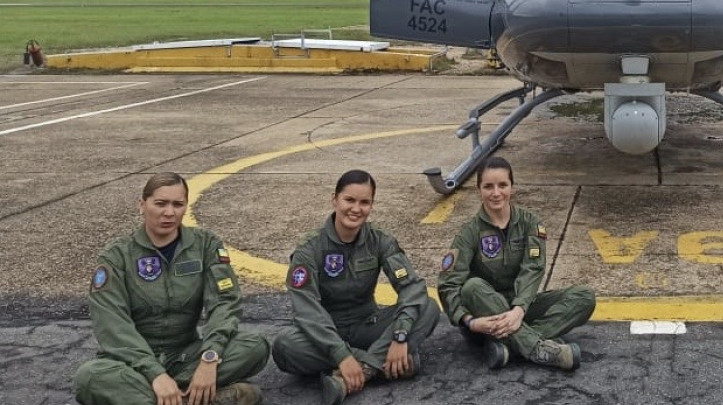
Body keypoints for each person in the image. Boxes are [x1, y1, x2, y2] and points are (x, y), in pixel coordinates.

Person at [73, 172, 268, 405]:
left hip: (185, 355)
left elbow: (224, 302)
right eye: (160, 203)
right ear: (142, 205)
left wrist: (209, 357)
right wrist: (154, 373)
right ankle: (199, 398)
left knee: (255, 346)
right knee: (89, 377)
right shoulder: (117, 256)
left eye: (178, 204)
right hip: (131, 362)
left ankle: (164, 396)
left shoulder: (205, 244)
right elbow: (112, 325)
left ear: (186, 206)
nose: (169, 212)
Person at [271, 169, 440, 405]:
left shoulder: (380, 240)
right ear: (335, 199)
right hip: (326, 332)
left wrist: (400, 334)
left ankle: (360, 372)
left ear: (371, 205)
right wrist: (341, 354)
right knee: (284, 346)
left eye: (364, 202)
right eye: (349, 200)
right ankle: (387, 364)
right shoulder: (310, 248)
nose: (356, 209)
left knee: (428, 307)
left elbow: (411, 288)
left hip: (368, 326)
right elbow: (307, 310)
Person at [438, 156, 596, 371]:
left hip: (520, 307)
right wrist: (470, 322)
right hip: (484, 316)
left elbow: (533, 269)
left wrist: (519, 310)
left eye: (502, 185)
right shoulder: (469, 233)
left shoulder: (530, 223)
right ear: (479, 190)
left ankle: (510, 346)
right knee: (472, 286)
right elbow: (448, 284)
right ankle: (540, 348)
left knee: (584, 296)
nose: (496, 193)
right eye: (488, 186)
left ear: (511, 186)